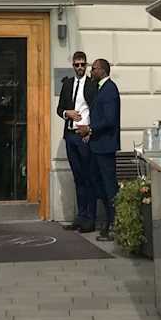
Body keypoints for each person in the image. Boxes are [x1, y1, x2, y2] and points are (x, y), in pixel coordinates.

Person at [57, 50, 99, 231]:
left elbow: (97, 110)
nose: (80, 67)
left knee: (88, 177)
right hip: (70, 135)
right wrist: (67, 113)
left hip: (84, 136)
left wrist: (91, 130)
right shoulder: (67, 84)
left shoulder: (92, 84)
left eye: (83, 64)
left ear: (86, 65)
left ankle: (90, 218)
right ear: (73, 66)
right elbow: (59, 109)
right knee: (78, 177)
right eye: (77, 64)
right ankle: (81, 217)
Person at [83, 57, 121, 241]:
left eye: (94, 68)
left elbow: (110, 119)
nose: (91, 71)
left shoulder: (110, 89)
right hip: (97, 146)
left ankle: (115, 225)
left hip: (105, 147)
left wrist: (90, 129)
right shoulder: (99, 88)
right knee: (100, 186)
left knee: (109, 187)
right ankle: (109, 222)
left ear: (103, 70)